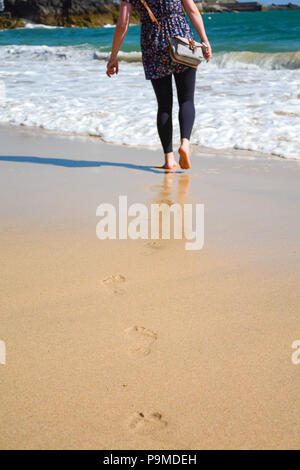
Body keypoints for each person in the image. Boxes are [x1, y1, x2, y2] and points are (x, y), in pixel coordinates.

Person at [106, 0, 212, 170]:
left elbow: (122, 24)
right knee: (186, 99)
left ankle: (169, 159)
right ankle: (185, 143)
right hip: (182, 40)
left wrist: (113, 57)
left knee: (164, 105)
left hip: (153, 43)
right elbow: (192, 10)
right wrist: (205, 41)